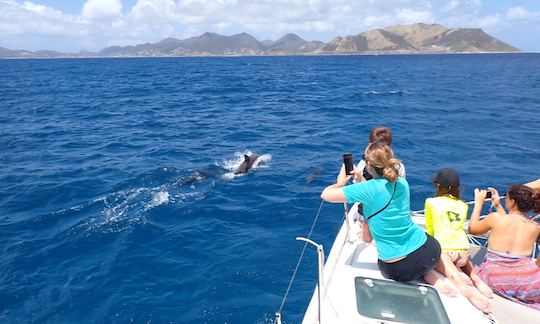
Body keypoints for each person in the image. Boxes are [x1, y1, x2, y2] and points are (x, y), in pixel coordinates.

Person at [321, 142, 451, 292]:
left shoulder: (367, 189)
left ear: (368, 165)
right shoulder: (402, 183)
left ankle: (428, 275)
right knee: (422, 258)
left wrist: (340, 182)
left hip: (400, 268)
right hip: (430, 250)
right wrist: (360, 179)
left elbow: (326, 194)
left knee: (409, 265)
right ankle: (460, 281)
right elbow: (378, 191)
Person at [425, 168, 492, 312]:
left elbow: (431, 230)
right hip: (463, 253)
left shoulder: (431, 202)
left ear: (438, 186)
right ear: (458, 188)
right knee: (461, 255)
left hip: (446, 252)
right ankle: (476, 279)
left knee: (433, 250)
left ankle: (462, 280)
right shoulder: (463, 205)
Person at [469, 185, 540, 310]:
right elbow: (513, 222)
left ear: (512, 201)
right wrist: (497, 205)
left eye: (506, 198)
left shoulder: (495, 218)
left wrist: (478, 203)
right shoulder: (535, 227)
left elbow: (472, 229)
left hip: (496, 277)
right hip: (528, 281)